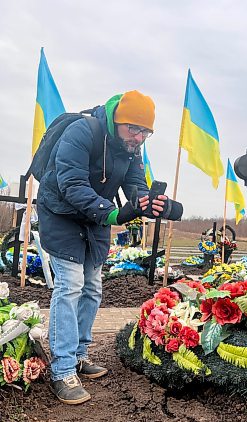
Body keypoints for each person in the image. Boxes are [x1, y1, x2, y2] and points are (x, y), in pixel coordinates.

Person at [37, 90, 182, 405]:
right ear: (118, 119)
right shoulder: (82, 131)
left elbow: (135, 183)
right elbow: (71, 185)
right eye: (135, 129)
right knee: (70, 284)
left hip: (95, 218)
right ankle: (61, 370)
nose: (139, 137)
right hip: (60, 213)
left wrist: (144, 201)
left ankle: (78, 355)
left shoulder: (130, 149)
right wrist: (114, 214)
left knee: (92, 288)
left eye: (146, 132)